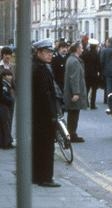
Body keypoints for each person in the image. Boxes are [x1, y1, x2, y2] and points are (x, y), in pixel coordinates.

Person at [32, 38, 60, 187]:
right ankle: (45, 178)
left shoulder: (38, 66)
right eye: (47, 52)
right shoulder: (41, 70)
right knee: (46, 147)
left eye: (51, 52)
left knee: (38, 147)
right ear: (39, 52)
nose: (50, 55)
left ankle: (37, 176)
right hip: (44, 117)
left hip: (38, 116)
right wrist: (52, 116)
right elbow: (45, 96)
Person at [63, 41, 87, 143]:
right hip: (74, 93)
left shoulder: (72, 59)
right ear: (77, 49)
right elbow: (74, 78)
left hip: (72, 92)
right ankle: (72, 134)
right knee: (74, 114)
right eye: (81, 48)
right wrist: (76, 93)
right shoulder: (75, 61)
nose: (82, 49)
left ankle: (71, 133)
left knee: (73, 114)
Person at [81, 38, 101, 109]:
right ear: (95, 46)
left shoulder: (86, 53)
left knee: (86, 89)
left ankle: (86, 104)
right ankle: (93, 104)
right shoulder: (97, 54)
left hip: (86, 74)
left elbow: (82, 62)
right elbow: (99, 65)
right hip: (94, 74)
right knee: (94, 90)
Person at [100, 37, 112, 103]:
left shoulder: (104, 50)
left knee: (108, 86)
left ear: (108, 42)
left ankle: (108, 100)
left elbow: (101, 61)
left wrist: (101, 70)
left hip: (107, 71)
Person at [0, 69, 14, 149]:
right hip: (4, 107)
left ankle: (4, 142)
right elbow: (3, 96)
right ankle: (7, 143)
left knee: (5, 124)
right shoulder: (4, 85)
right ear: (4, 77)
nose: (10, 77)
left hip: (5, 106)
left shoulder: (7, 84)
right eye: (8, 75)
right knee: (6, 125)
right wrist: (11, 100)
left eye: (11, 75)